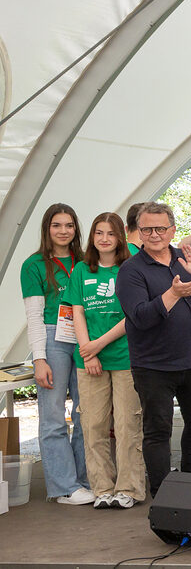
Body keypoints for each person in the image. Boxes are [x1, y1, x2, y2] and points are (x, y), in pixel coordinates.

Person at [115, 202, 191, 496]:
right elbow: (139, 317)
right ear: (139, 232)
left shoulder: (186, 257)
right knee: (158, 431)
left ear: (173, 230)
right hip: (154, 366)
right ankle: (165, 497)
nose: (155, 234)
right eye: (148, 229)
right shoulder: (130, 270)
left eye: (161, 228)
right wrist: (173, 294)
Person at [62, 212, 145, 508]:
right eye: (99, 233)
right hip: (90, 360)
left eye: (110, 233)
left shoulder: (130, 269)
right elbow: (78, 312)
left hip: (124, 357)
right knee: (93, 426)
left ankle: (130, 489)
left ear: (120, 237)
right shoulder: (82, 270)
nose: (104, 239)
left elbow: (131, 316)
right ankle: (102, 489)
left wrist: (97, 345)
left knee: (126, 426)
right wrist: (88, 351)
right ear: (92, 237)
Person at [20, 203, 91, 504]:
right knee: (52, 417)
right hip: (53, 337)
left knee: (88, 412)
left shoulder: (86, 261)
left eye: (69, 225)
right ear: (47, 229)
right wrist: (40, 359)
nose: (63, 231)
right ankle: (64, 487)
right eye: (57, 225)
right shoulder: (34, 265)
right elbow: (34, 317)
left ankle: (87, 479)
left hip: (85, 336)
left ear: (76, 229)